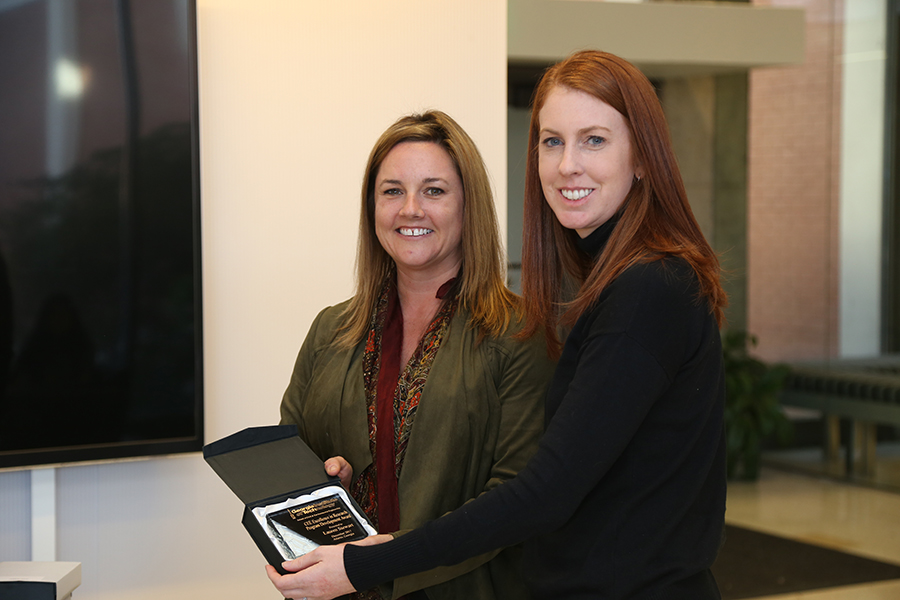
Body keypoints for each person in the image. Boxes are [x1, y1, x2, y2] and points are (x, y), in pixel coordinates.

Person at [267, 49, 729, 600]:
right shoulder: (611, 286)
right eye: (552, 141)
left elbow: (539, 495)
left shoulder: (644, 290)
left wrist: (368, 564)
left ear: (643, 157)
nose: (567, 165)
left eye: (595, 140)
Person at [274, 110, 556, 600]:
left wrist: (378, 563)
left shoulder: (519, 334)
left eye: (434, 190)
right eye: (392, 191)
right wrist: (322, 476)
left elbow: (518, 502)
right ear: (372, 207)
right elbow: (283, 465)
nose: (410, 209)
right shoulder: (330, 330)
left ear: (469, 206)